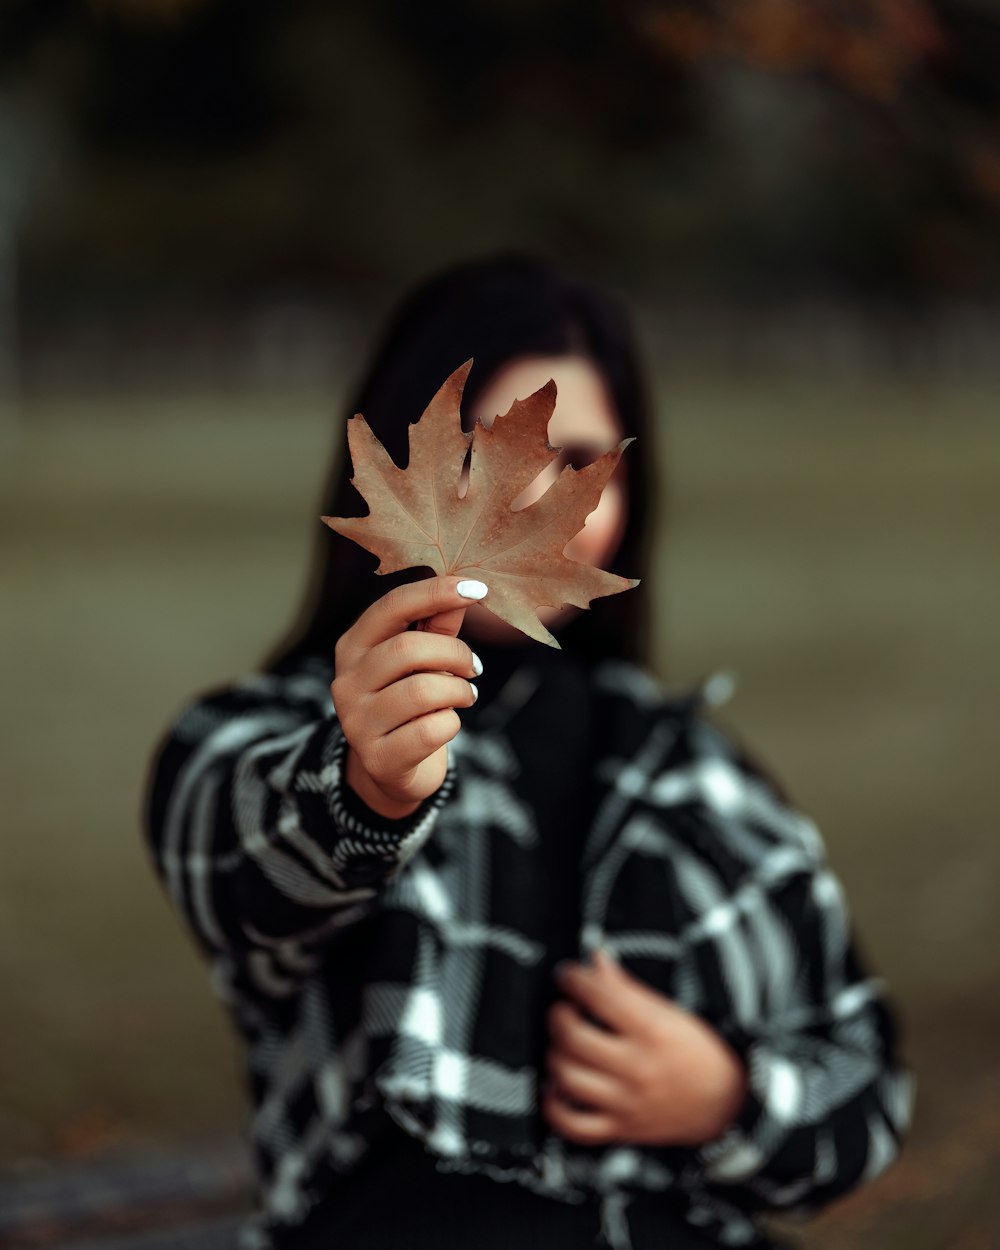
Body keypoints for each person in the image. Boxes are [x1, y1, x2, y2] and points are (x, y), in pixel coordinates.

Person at [142, 254, 914, 1250]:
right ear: (394, 471)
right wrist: (362, 791)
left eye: (584, 458)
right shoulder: (280, 730)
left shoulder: (708, 777)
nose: (540, 501)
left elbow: (863, 1081)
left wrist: (728, 1093)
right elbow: (230, 854)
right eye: (491, 454)